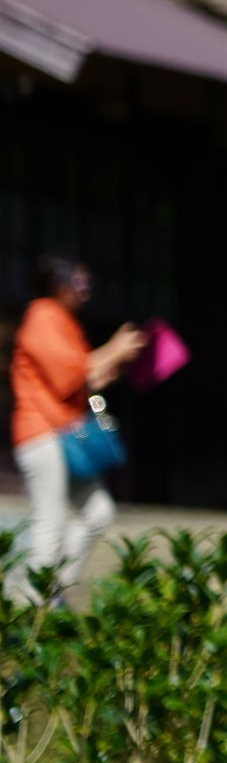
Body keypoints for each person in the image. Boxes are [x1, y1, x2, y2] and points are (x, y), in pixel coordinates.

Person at [11, 254, 145, 606]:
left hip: (68, 438)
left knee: (98, 513)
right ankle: (33, 608)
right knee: (50, 521)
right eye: (79, 282)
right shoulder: (41, 316)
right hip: (41, 435)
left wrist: (117, 359)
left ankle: (53, 592)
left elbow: (86, 375)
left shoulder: (63, 320)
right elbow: (70, 374)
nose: (86, 290)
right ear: (59, 284)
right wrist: (114, 349)